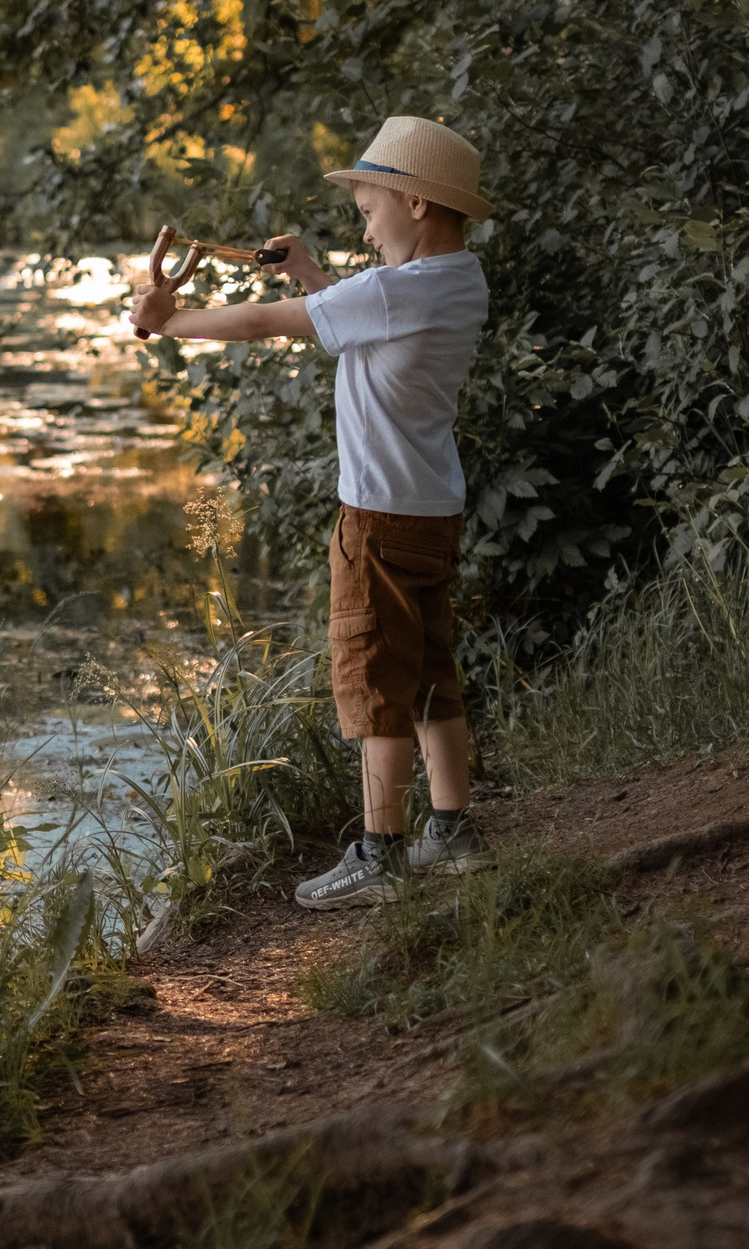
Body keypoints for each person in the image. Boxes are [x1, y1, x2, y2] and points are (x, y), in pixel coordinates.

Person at [126, 116, 494, 908]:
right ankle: (454, 832)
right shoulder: (457, 281)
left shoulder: (394, 290)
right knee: (431, 669)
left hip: (378, 518)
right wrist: (313, 275)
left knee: (374, 675)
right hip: (433, 508)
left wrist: (173, 322)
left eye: (370, 210)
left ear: (418, 204)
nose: (365, 226)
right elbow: (369, 331)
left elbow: (261, 324)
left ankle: (380, 851)